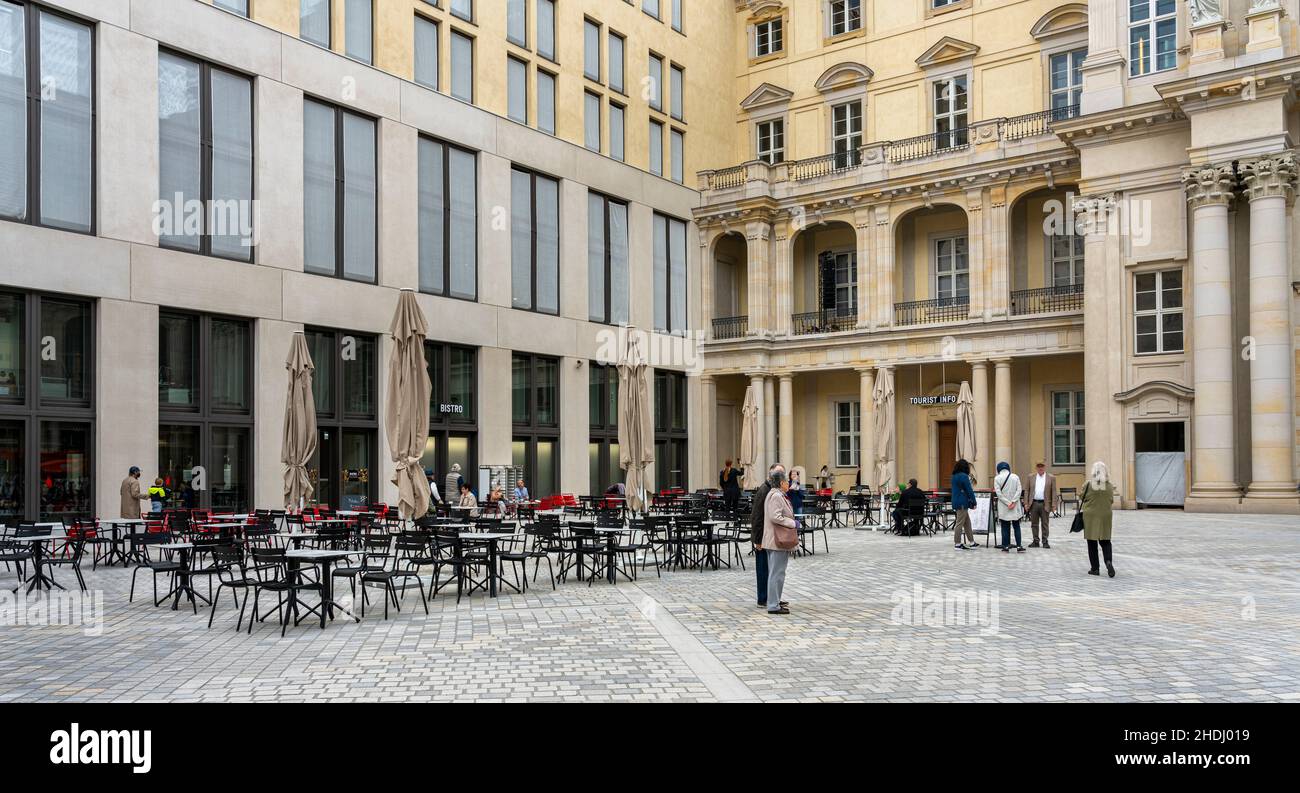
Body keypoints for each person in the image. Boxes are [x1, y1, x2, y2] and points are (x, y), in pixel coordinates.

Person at [762, 469, 800, 615]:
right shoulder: (776, 496)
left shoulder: (777, 495)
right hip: (777, 541)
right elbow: (776, 517)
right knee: (776, 573)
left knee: (777, 573)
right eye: (787, 481)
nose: (788, 483)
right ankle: (773, 605)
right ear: (781, 483)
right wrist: (793, 523)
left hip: (775, 540)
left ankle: (775, 601)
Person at [749, 463, 784, 610]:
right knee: (763, 569)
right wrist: (757, 540)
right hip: (762, 538)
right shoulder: (764, 490)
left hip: (768, 537)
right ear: (772, 475)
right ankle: (763, 598)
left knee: (771, 569)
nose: (783, 477)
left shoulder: (773, 490)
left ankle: (772, 598)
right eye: (780, 474)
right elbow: (756, 516)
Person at [1081, 461, 1116, 577]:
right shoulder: (1109, 485)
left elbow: (1082, 497)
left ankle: (1095, 568)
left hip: (1090, 515)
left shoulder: (1088, 484)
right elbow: (1111, 500)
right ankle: (1108, 561)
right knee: (1106, 541)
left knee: (1092, 543)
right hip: (1105, 515)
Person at [1022, 460, 1056, 548]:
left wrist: (1053, 505)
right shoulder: (1031, 477)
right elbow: (1027, 490)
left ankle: (1045, 541)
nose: (1040, 468)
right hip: (1034, 503)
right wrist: (1026, 503)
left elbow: (1054, 491)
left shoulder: (1051, 477)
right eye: (1038, 466)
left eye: (1042, 466)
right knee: (1034, 523)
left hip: (1045, 503)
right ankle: (1035, 541)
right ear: (1036, 468)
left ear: (1044, 467)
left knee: (1045, 523)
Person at [994, 461, 1025, 552]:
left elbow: (998, 494)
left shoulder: (997, 478)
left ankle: (1006, 546)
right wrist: (1013, 501)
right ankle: (1019, 546)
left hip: (1004, 506)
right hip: (1015, 506)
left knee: (1005, 526)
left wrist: (1008, 503)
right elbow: (1019, 490)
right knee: (1016, 526)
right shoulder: (1015, 477)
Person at [951, 459, 978, 549]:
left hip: (957, 501)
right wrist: (974, 501)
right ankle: (957, 544)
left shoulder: (954, 476)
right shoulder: (964, 476)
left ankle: (972, 542)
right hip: (962, 502)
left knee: (967, 523)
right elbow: (969, 490)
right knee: (959, 523)